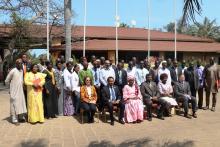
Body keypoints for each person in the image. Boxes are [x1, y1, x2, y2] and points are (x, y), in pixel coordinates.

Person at [5, 59, 27, 125]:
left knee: (20, 104)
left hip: (20, 90)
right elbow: (6, 81)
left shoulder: (21, 71)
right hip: (14, 91)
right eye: (19, 63)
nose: (20, 65)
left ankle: (20, 117)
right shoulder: (13, 71)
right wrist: (10, 89)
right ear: (16, 64)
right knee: (14, 105)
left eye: (21, 63)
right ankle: (14, 119)